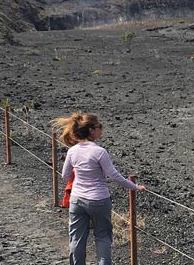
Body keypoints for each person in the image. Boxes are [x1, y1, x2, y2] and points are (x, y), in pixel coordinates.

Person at [53, 112, 145, 265]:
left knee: (76, 238)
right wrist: (134, 187)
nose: (101, 130)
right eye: (99, 127)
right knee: (103, 237)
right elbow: (114, 176)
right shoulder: (100, 152)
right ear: (91, 130)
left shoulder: (72, 151)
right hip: (99, 200)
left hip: (77, 199)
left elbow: (65, 175)